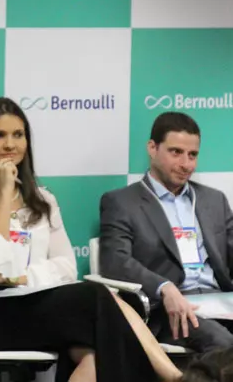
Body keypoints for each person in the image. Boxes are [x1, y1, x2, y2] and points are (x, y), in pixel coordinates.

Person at [0, 96, 184, 382]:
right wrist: (5, 193)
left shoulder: (43, 198)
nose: (10, 144)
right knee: (97, 298)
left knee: (93, 353)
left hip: (41, 301)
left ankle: (175, 378)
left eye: (18, 135)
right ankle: (174, 377)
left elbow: (67, 266)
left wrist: (20, 278)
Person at [100, 111, 233, 353]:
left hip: (220, 301)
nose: (186, 164)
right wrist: (164, 287)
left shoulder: (214, 200)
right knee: (225, 344)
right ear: (152, 148)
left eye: (192, 155)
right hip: (168, 309)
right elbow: (114, 261)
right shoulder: (122, 202)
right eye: (176, 152)